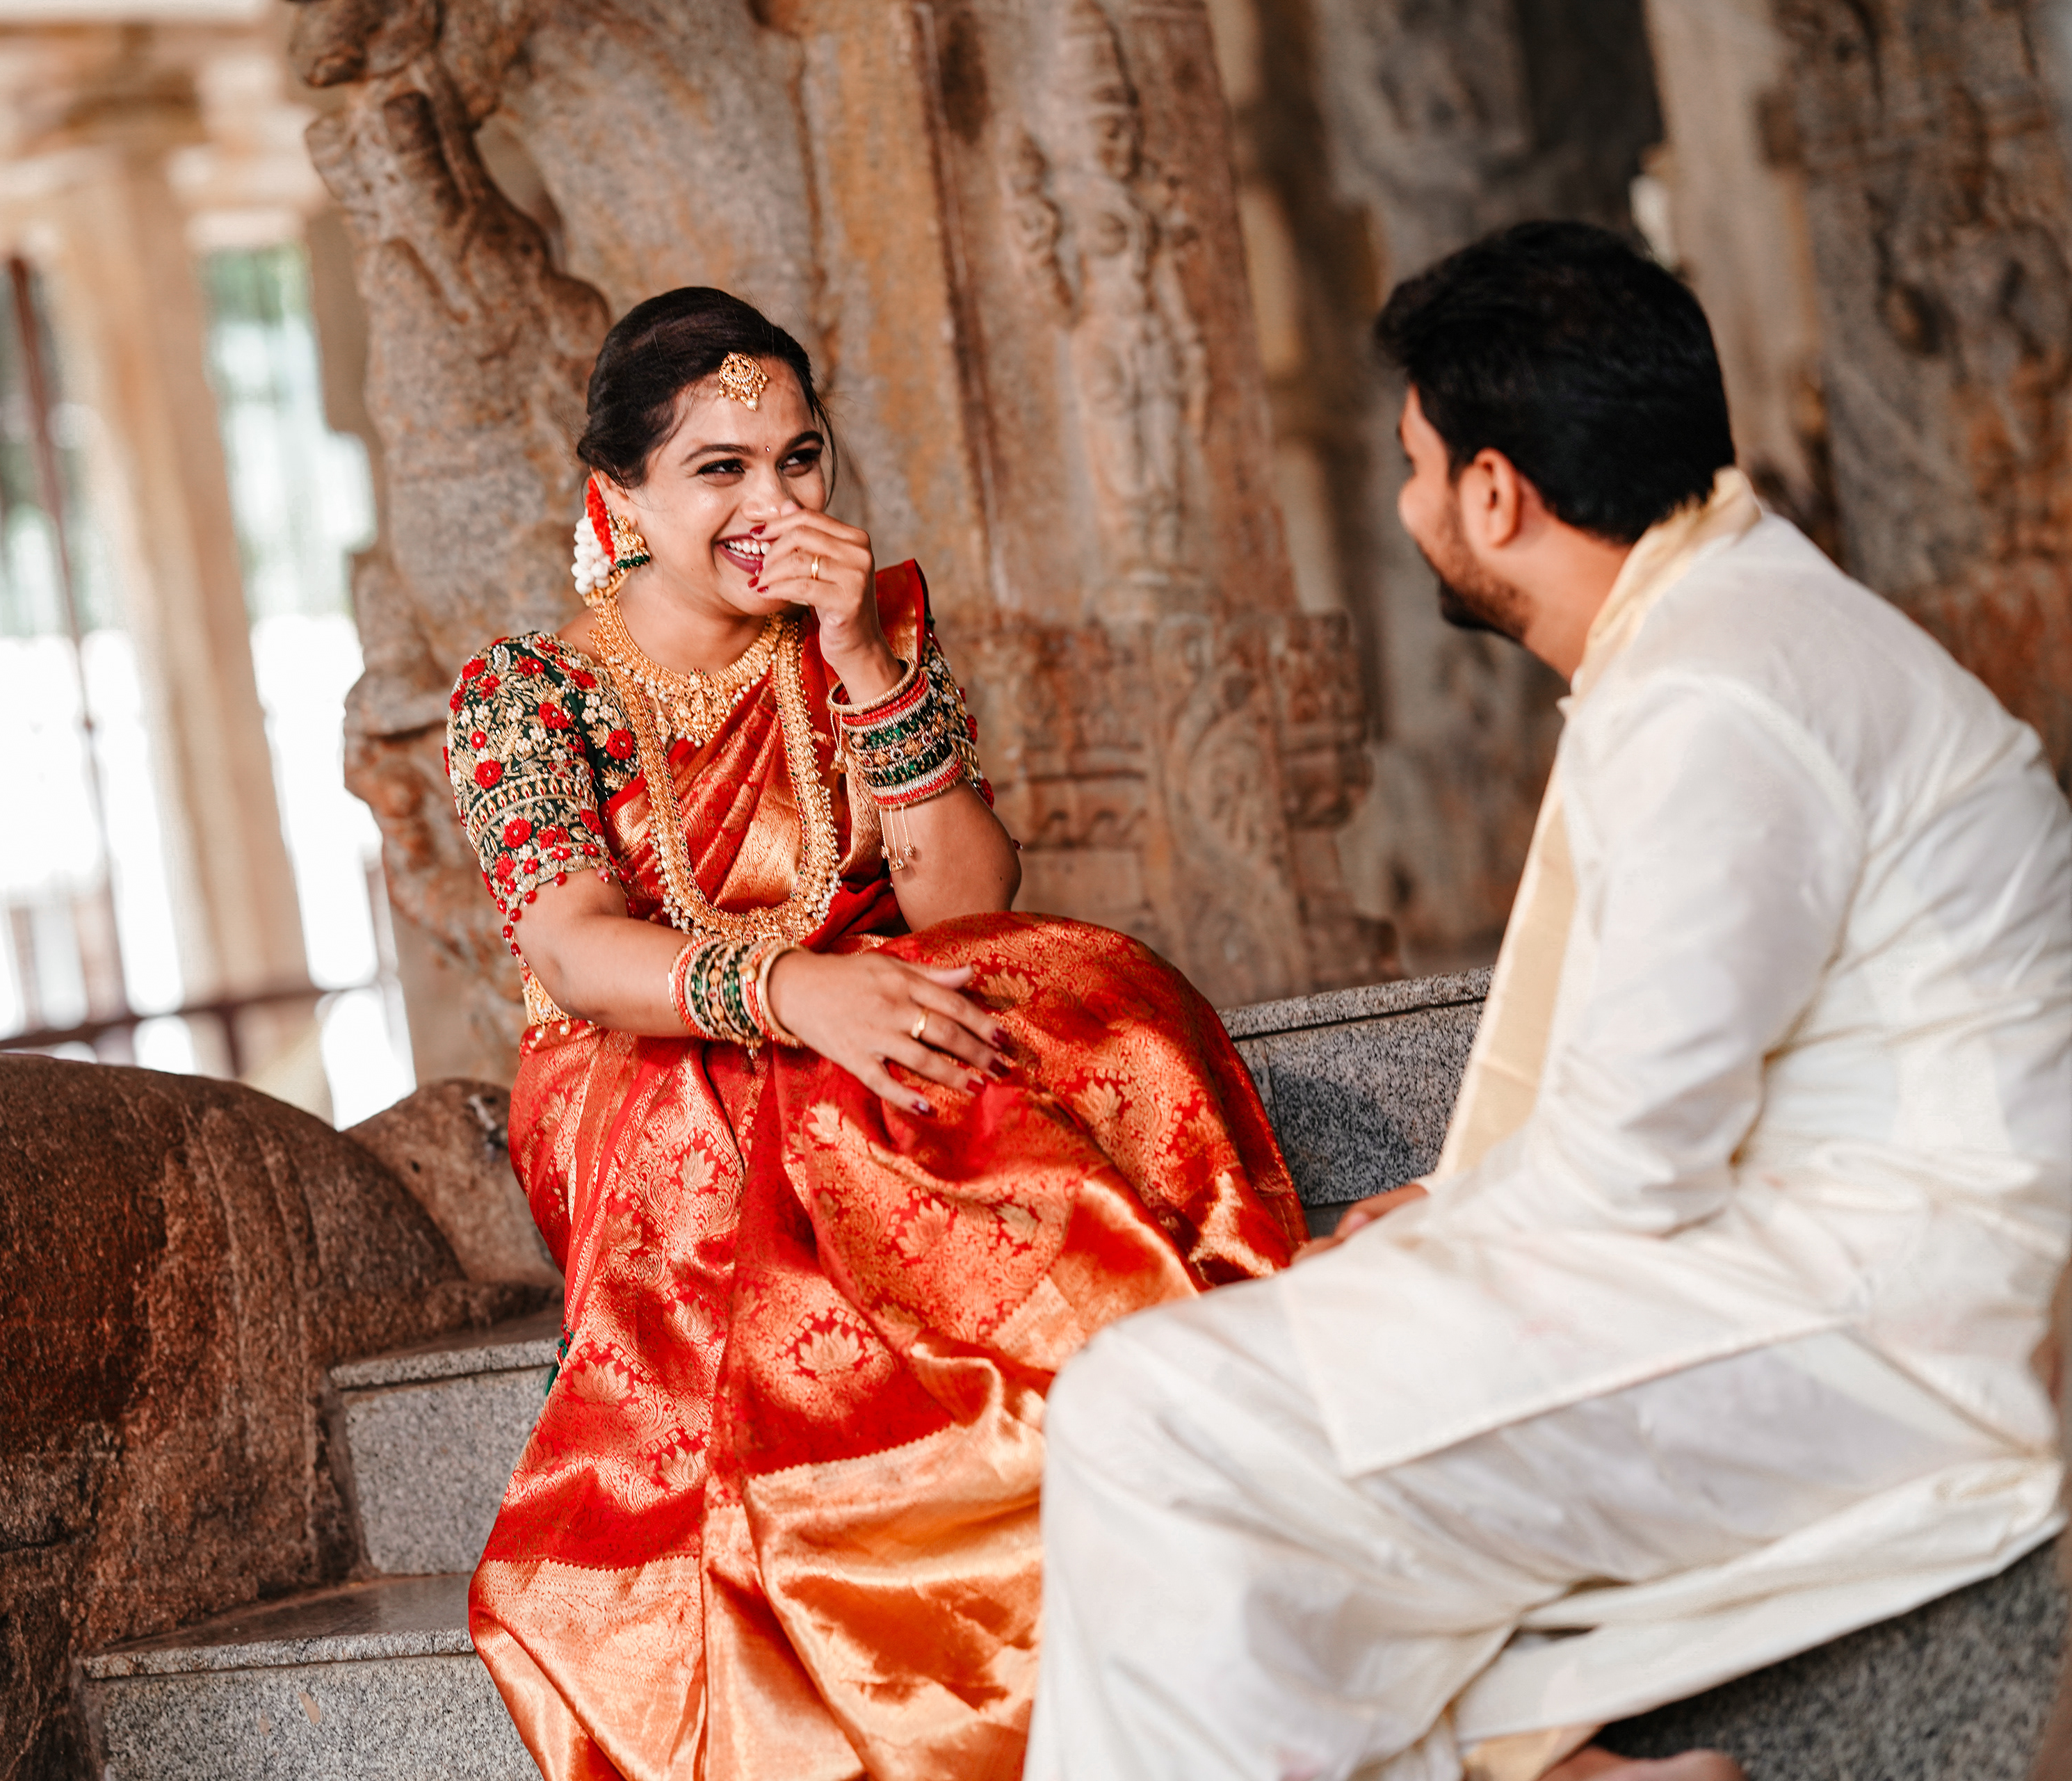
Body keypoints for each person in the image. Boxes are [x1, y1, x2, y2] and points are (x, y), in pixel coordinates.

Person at [1027, 220, 2072, 1781]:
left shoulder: (1715, 691)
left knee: (1152, 1417)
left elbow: (1633, 1165)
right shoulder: (1734, 625)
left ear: (1497, 494)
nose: (1408, 505)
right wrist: (1455, 1213)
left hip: (1888, 1326)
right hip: (1834, 1267)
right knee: (1200, 1437)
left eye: (1417, 467)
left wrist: (1450, 1228)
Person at [444, 286, 1307, 1780]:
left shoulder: (866, 623)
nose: (773, 503)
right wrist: (798, 994)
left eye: (800, 458)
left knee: (1080, 994)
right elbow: (574, 953)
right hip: (644, 1073)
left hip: (874, 1003)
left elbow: (963, 901)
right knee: (854, 1091)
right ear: (620, 497)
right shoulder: (528, 691)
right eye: (720, 469)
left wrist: (860, 655)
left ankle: (1131, 1375)